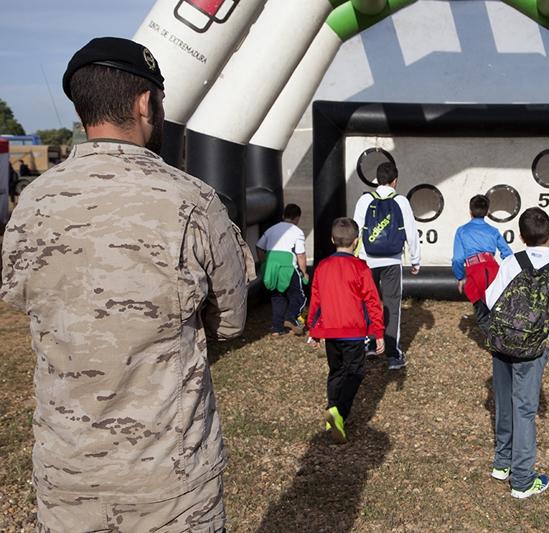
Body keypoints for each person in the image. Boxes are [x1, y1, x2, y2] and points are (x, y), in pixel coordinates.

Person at [0, 37, 255, 532]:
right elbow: (231, 321)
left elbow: (18, 296)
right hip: (171, 483)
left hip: (67, 475)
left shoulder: (32, 204)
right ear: (145, 104)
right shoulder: (194, 201)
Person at [483, 207, 549, 499]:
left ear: (521, 236)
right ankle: (522, 480)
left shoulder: (512, 261)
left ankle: (502, 464)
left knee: (504, 404)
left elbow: (490, 296)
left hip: (503, 344)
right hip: (533, 349)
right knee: (524, 409)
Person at [307, 217, 385, 443]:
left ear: (332, 240)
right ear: (357, 241)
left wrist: (313, 329)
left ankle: (332, 409)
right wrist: (378, 332)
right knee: (356, 372)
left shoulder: (322, 266)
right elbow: (372, 301)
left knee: (336, 371)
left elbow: (316, 300)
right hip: (353, 332)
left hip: (331, 331)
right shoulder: (360, 267)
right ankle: (338, 410)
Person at [353, 161, 420, 370]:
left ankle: (371, 343)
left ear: (377, 180)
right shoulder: (401, 201)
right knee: (392, 304)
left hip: (366, 259)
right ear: (395, 181)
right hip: (392, 260)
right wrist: (415, 260)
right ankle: (392, 354)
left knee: (368, 302)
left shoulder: (365, 200)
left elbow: (356, 230)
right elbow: (411, 232)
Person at [451, 194, 513, 331]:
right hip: (493, 269)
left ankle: (497, 347)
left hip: (475, 271)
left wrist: (460, 277)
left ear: (470, 211)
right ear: (488, 212)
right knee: (497, 308)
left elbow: (457, 259)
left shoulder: (462, 231)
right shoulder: (493, 231)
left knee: (482, 314)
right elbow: (508, 254)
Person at [256, 203, 309, 336]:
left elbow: (259, 246)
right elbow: (300, 254)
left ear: (283, 215)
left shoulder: (271, 229)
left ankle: (277, 329)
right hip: (288, 267)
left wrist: (265, 263)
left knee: (277, 297)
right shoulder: (297, 231)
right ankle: (290, 317)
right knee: (299, 296)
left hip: (271, 266)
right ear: (297, 218)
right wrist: (304, 272)